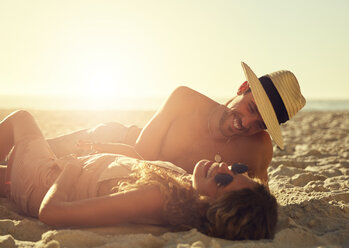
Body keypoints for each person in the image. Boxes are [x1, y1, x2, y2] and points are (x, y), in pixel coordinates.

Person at [0, 110, 278, 240]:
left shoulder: (158, 198)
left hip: (46, 181)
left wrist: (70, 169)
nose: (223, 167)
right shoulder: (182, 188)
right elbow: (136, 163)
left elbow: (52, 213)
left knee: (22, 119)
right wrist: (104, 149)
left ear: (213, 207)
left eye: (224, 180)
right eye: (236, 169)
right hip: (54, 174)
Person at [47, 62, 306, 185]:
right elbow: (140, 158)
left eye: (260, 124)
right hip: (115, 142)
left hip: (130, 173)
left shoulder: (259, 149)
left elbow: (260, 197)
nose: (246, 123)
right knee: (32, 149)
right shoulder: (184, 99)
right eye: (251, 108)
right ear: (242, 88)